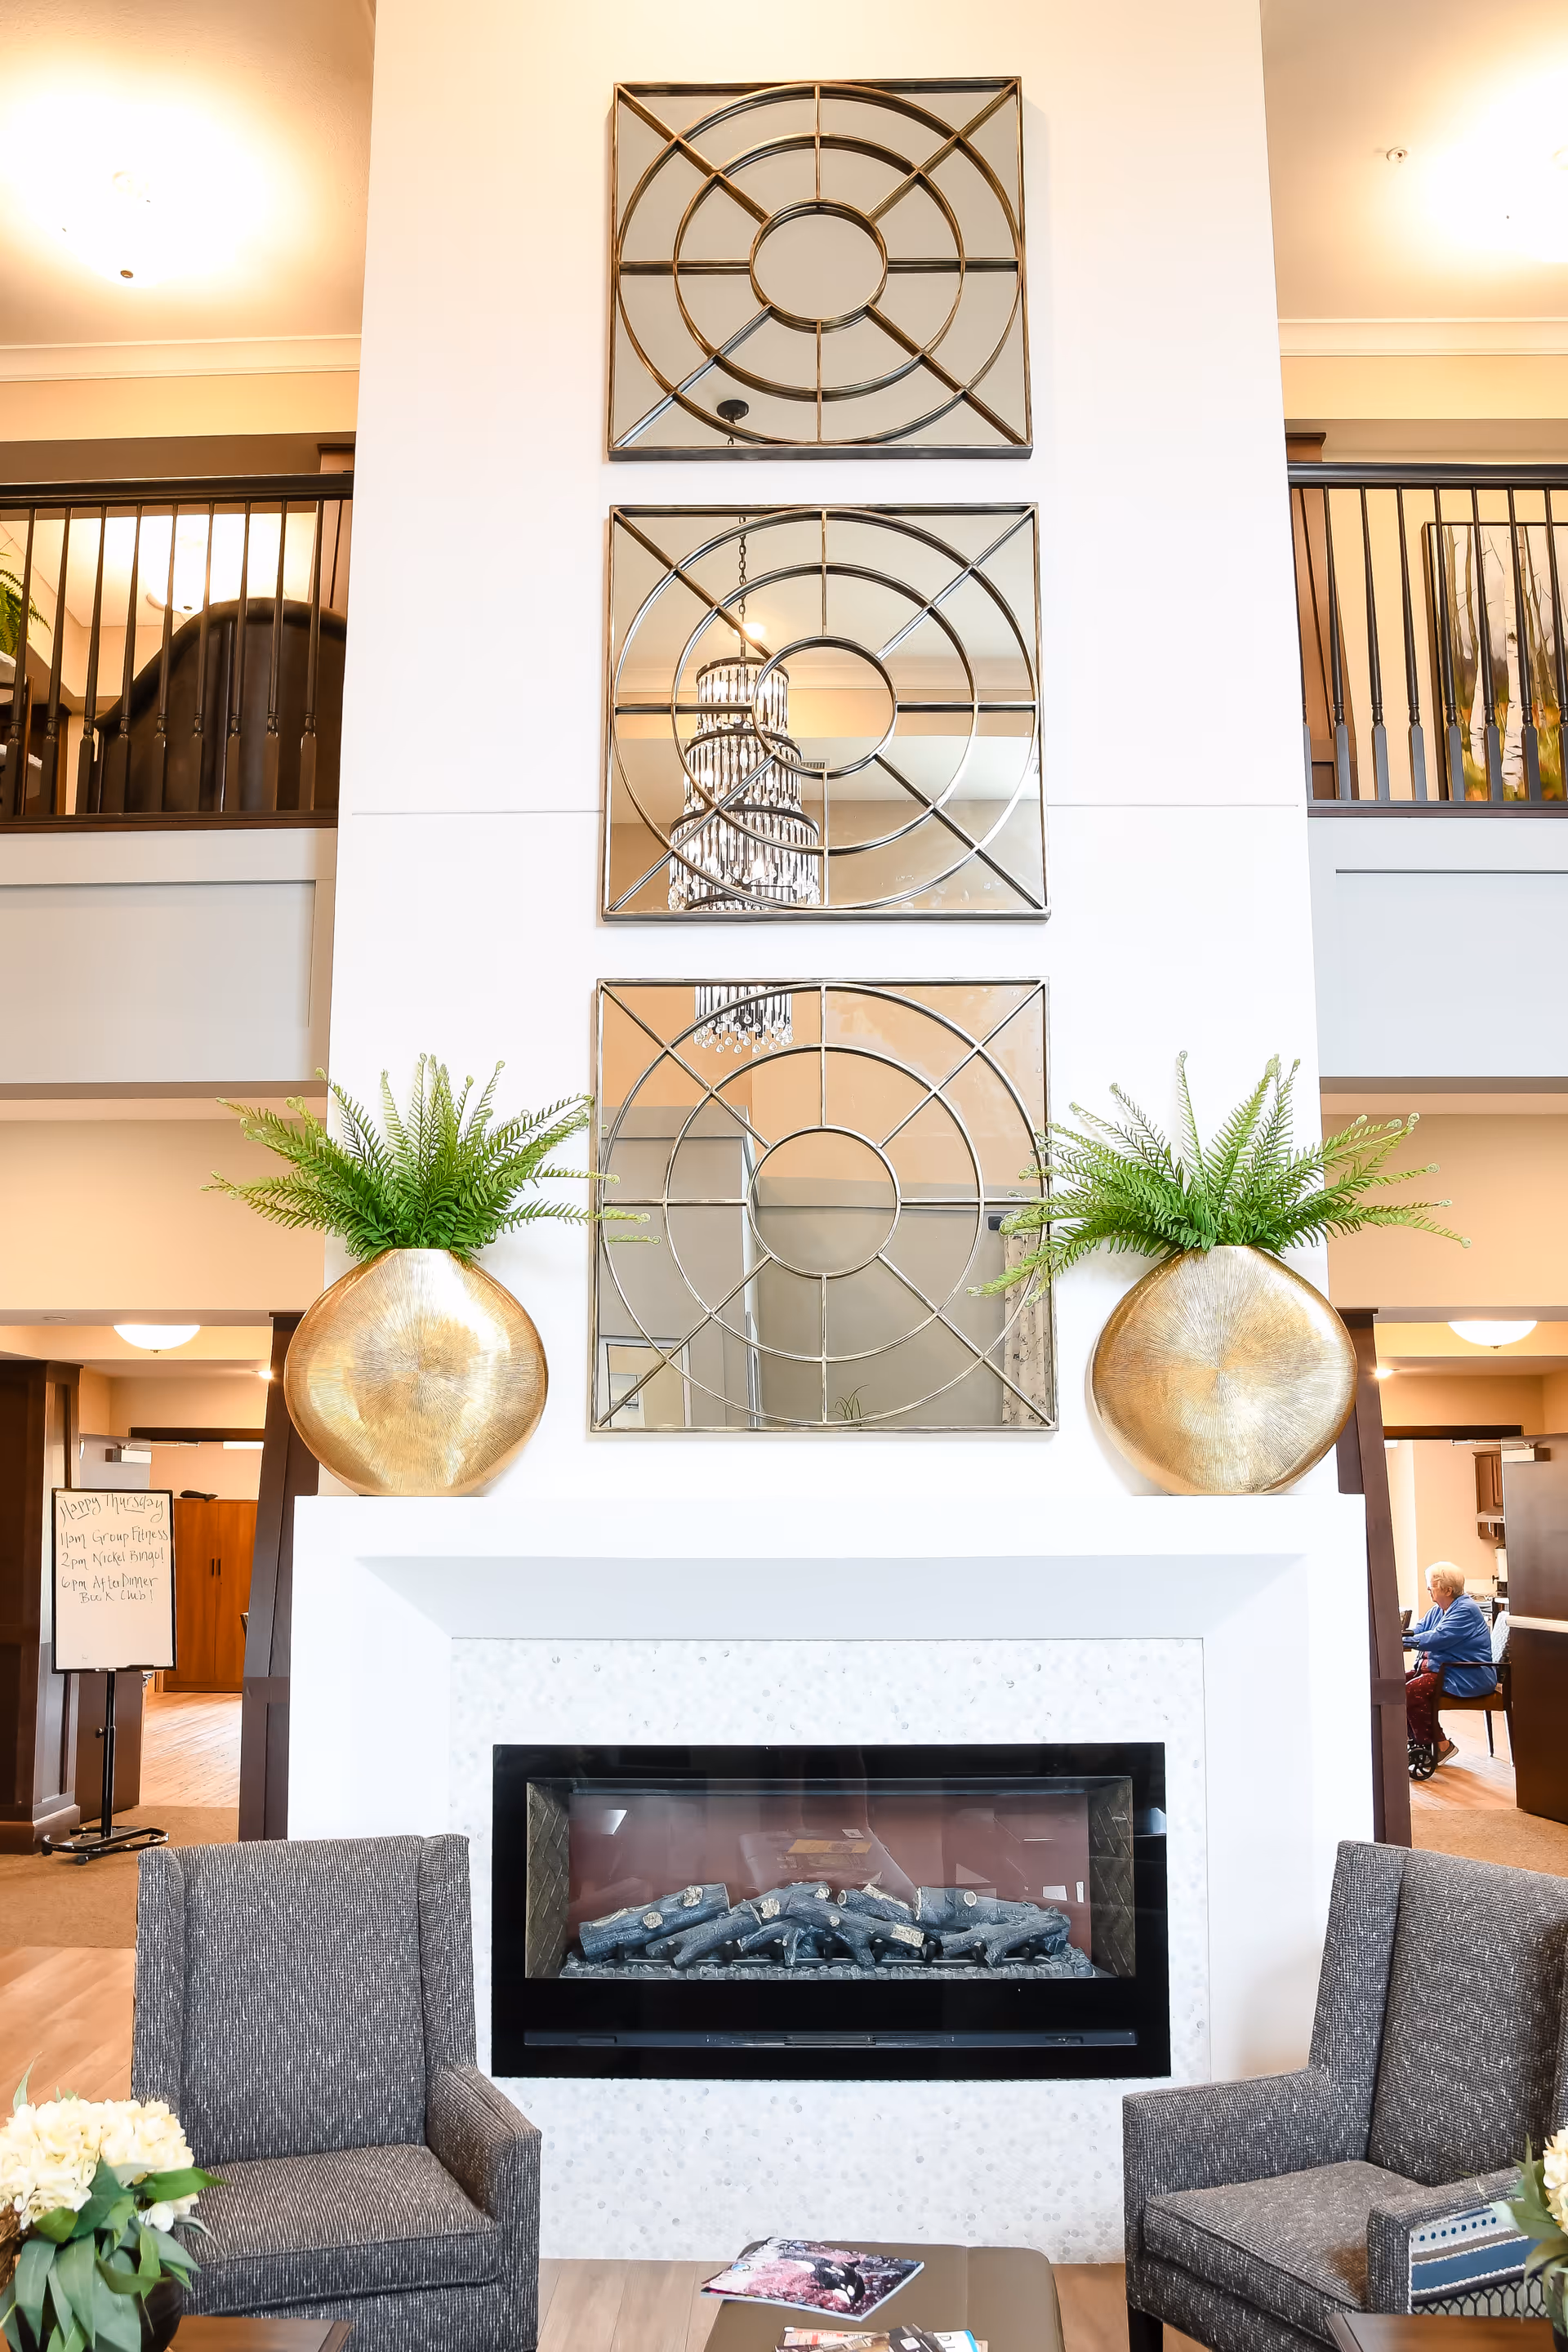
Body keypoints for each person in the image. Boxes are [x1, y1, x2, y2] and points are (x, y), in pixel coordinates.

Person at [1405, 1562, 1496, 1761]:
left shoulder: (1466, 1610)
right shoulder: (1439, 1609)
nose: (1428, 1590)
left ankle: (1440, 1745)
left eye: (1432, 1586)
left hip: (1465, 1675)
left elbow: (1439, 1637)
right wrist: (1402, 1633)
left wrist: (1402, 1641)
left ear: (1447, 1590)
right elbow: (1420, 1629)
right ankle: (1413, 1740)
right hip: (1442, 1670)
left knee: (1411, 1691)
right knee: (1393, 1684)